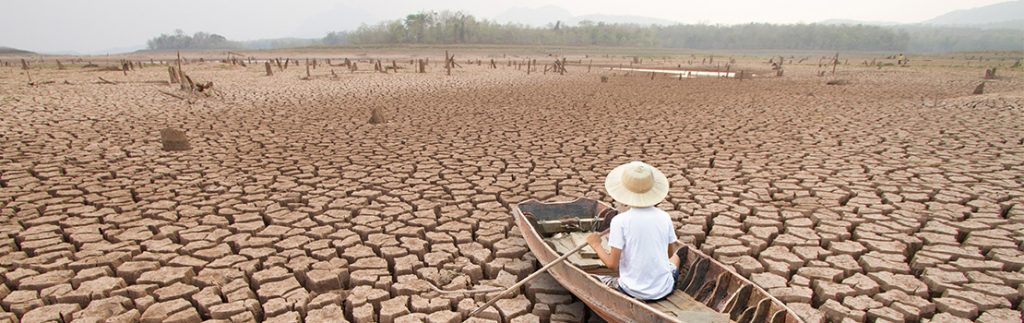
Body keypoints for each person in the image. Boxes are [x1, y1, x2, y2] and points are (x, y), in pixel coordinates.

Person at [586, 161, 681, 301]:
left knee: (599, 278)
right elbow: (670, 254)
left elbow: (612, 265)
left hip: (632, 291)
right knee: (677, 258)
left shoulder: (620, 221)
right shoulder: (664, 217)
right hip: (665, 289)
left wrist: (596, 245)